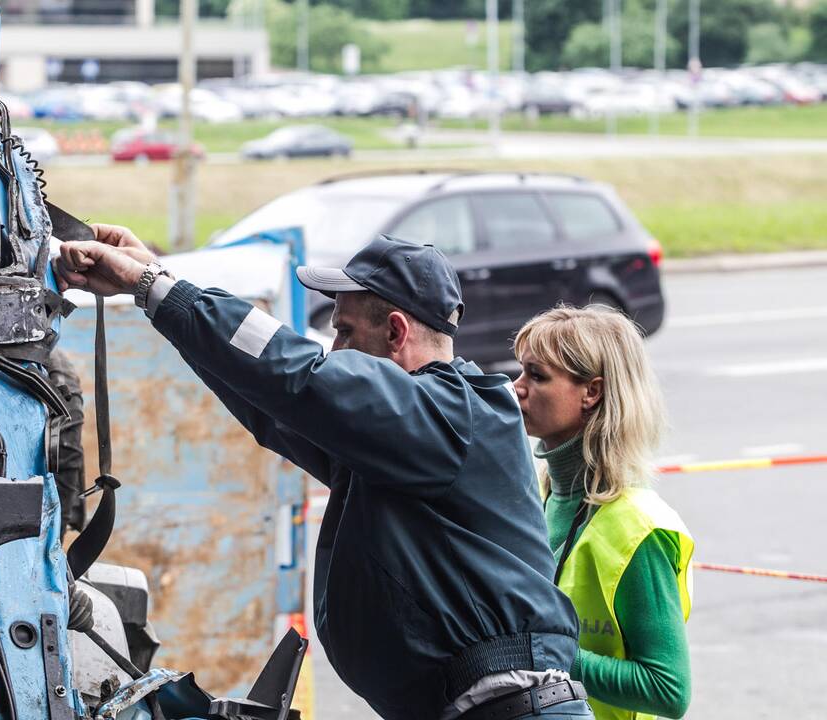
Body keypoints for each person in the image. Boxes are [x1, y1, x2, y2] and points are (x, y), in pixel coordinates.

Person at [55, 227, 592, 720]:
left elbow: (295, 375)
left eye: (345, 332)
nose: (334, 348)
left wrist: (153, 285)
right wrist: (164, 299)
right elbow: (272, 403)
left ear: (397, 332)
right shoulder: (400, 438)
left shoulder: (450, 417)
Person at [512, 306, 694, 720]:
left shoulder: (636, 527)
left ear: (591, 392)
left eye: (537, 376)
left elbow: (669, 689)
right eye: (521, 372)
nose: (517, 387)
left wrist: (538, 654)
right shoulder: (544, 493)